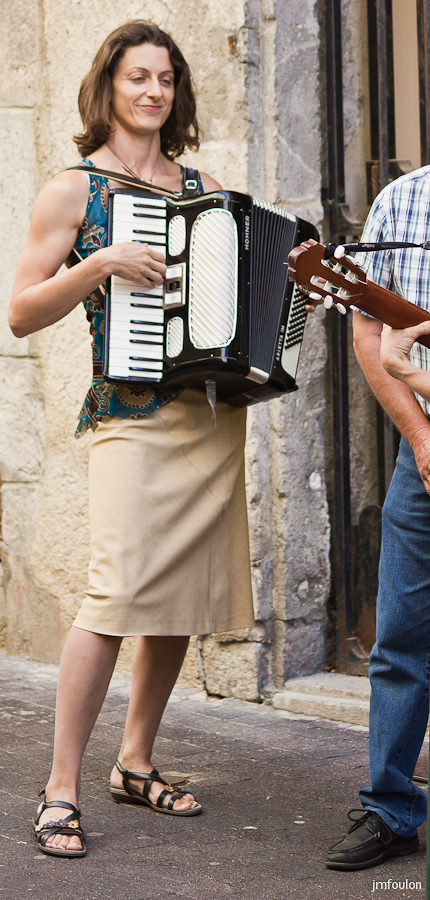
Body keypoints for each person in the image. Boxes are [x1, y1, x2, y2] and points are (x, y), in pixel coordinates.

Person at [9, 20, 255, 859]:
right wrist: (100, 263)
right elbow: (21, 309)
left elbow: (235, 298)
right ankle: (61, 787)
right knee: (113, 598)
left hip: (206, 416)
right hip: (128, 414)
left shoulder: (203, 184)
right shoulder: (72, 190)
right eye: (138, 78)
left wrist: (285, 306)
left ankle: (135, 761)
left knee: (177, 599)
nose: (154, 92)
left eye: (166, 80)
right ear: (108, 87)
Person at [325, 165, 430, 871]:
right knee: (399, 637)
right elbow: (372, 336)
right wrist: (422, 441)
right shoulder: (403, 203)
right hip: (424, 450)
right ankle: (392, 811)